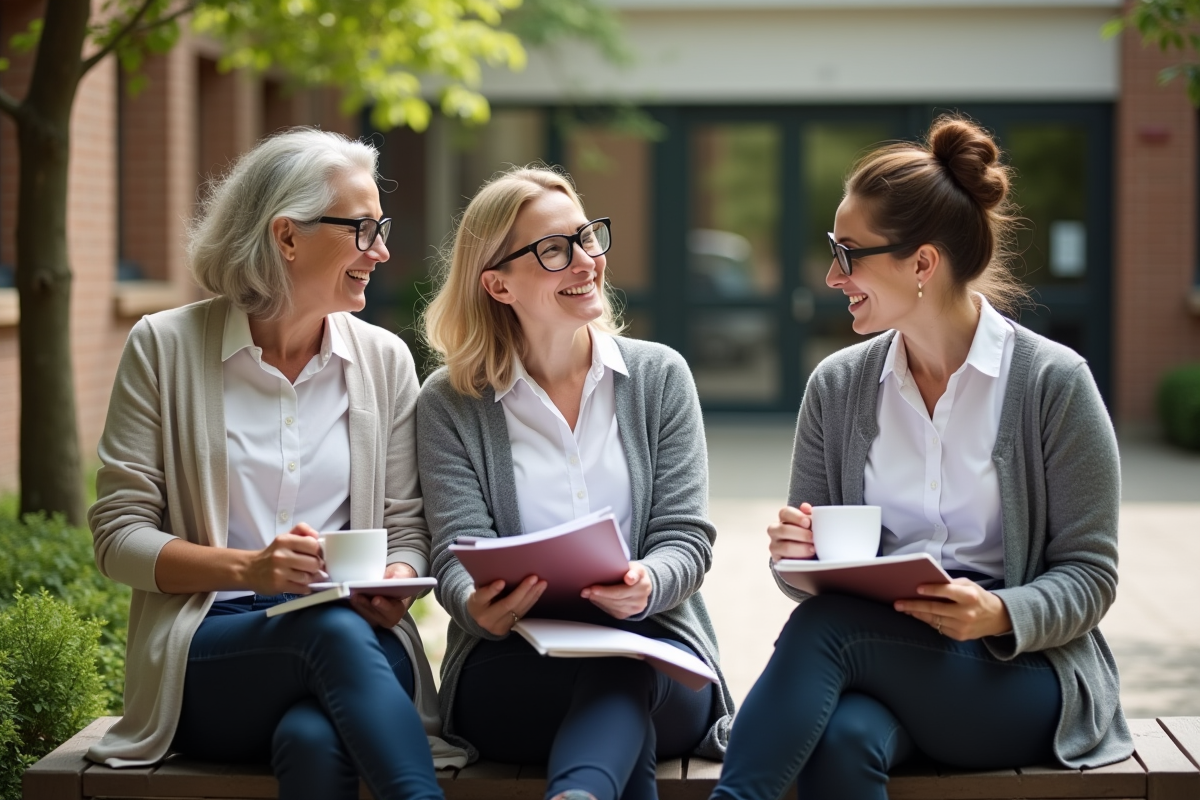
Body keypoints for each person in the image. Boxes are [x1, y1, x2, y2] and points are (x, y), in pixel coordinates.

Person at [709, 115, 1132, 800]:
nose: (832, 275)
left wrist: (996, 612)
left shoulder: (1054, 384)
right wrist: (798, 554)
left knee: (827, 629)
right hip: (885, 657)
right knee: (842, 741)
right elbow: (806, 580)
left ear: (922, 265)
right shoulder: (837, 388)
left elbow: (1091, 576)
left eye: (848, 254)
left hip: (1019, 672)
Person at [86, 128, 459, 799]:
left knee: (313, 739)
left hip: (360, 642)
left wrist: (395, 580)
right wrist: (249, 569)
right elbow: (118, 539)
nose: (381, 250)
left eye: (382, 229)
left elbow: (408, 529)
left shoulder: (384, 361)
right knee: (327, 631)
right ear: (287, 236)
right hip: (214, 648)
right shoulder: (162, 348)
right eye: (362, 229)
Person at [417, 166, 735, 800]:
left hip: (658, 652)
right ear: (497, 284)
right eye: (554, 249)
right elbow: (455, 552)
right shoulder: (449, 403)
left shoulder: (659, 377)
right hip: (514, 667)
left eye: (587, 237)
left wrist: (648, 582)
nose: (587, 261)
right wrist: (474, 603)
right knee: (617, 701)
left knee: (622, 667)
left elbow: (685, 539)